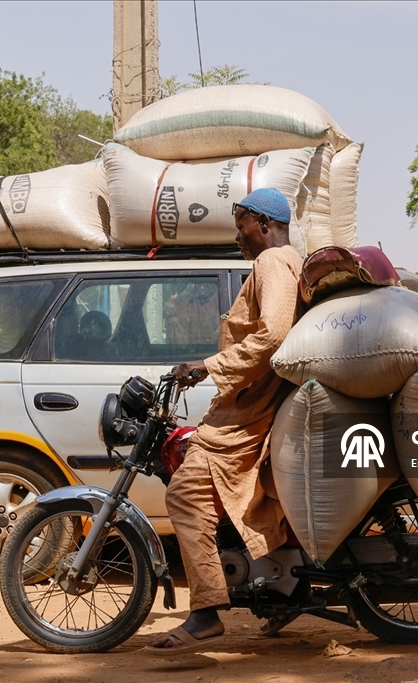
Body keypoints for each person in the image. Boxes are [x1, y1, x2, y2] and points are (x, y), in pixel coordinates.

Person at [146, 188, 304, 656]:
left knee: (187, 494)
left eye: (241, 225)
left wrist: (208, 367)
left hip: (245, 416)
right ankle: (283, 590)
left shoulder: (273, 263)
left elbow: (273, 334)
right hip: (251, 406)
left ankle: (205, 615)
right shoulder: (292, 261)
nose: (238, 236)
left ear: (263, 223)